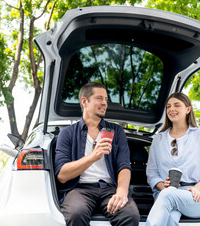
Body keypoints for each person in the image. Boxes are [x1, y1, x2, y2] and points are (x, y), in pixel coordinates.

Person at [55, 82, 140, 226]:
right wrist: (93, 156)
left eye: (106, 99)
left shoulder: (116, 131)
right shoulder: (67, 133)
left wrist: (121, 192)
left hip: (109, 189)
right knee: (76, 213)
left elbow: (124, 166)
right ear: (84, 101)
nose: (104, 103)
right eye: (99, 98)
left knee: (130, 215)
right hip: (79, 189)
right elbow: (62, 175)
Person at [145, 92, 200, 226]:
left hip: (194, 197)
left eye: (177, 105)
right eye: (168, 107)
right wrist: (163, 186)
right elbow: (152, 173)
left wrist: (197, 188)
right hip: (164, 195)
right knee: (170, 219)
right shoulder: (158, 139)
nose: (171, 109)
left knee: (168, 196)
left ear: (188, 109)